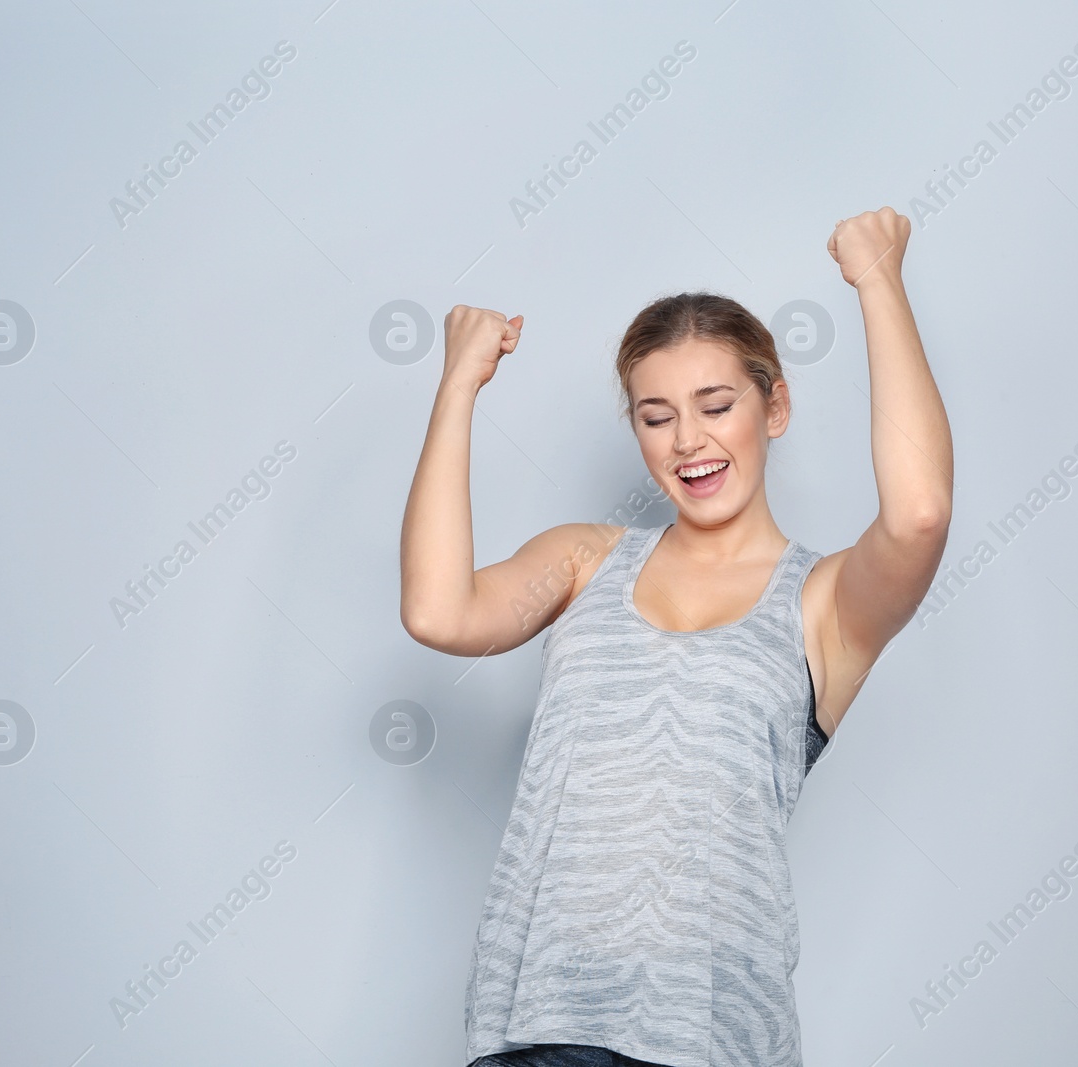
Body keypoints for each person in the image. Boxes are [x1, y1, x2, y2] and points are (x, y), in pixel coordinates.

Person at [400, 207, 953, 1067]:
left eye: (716, 405)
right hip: (542, 1028)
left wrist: (879, 276)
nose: (688, 439)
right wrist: (458, 387)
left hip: (712, 1037)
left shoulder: (823, 601)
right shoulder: (585, 561)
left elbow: (919, 516)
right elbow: (438, 611)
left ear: (775, 407)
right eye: (656, 416)